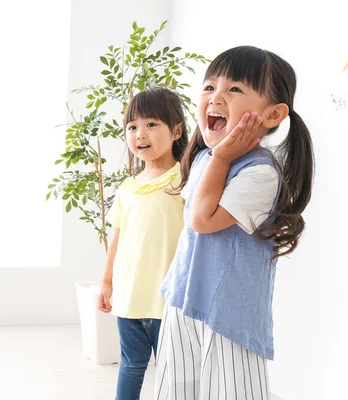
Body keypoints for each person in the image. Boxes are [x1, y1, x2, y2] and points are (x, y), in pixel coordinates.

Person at [155, 45, 314, 400]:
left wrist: (224, 156)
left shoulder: (260, 171)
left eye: (235, 89)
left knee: (232, 392)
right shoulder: (205, 160)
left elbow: (201, 220)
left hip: (229, 314)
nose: (216, 97)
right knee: (174, 389)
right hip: (183, 298)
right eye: (209, 87)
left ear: (272, 114)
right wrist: (219, 157)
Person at [97, 87, 188, 400]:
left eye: (151, 124)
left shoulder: (185, 179)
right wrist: (107, 282)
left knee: (173, 369)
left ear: (176, 130)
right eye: (132, 127)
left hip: (170, 299)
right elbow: (118, 238)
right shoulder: (128, 188)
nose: (140, 134)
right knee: (132, 364)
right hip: (131, 296)